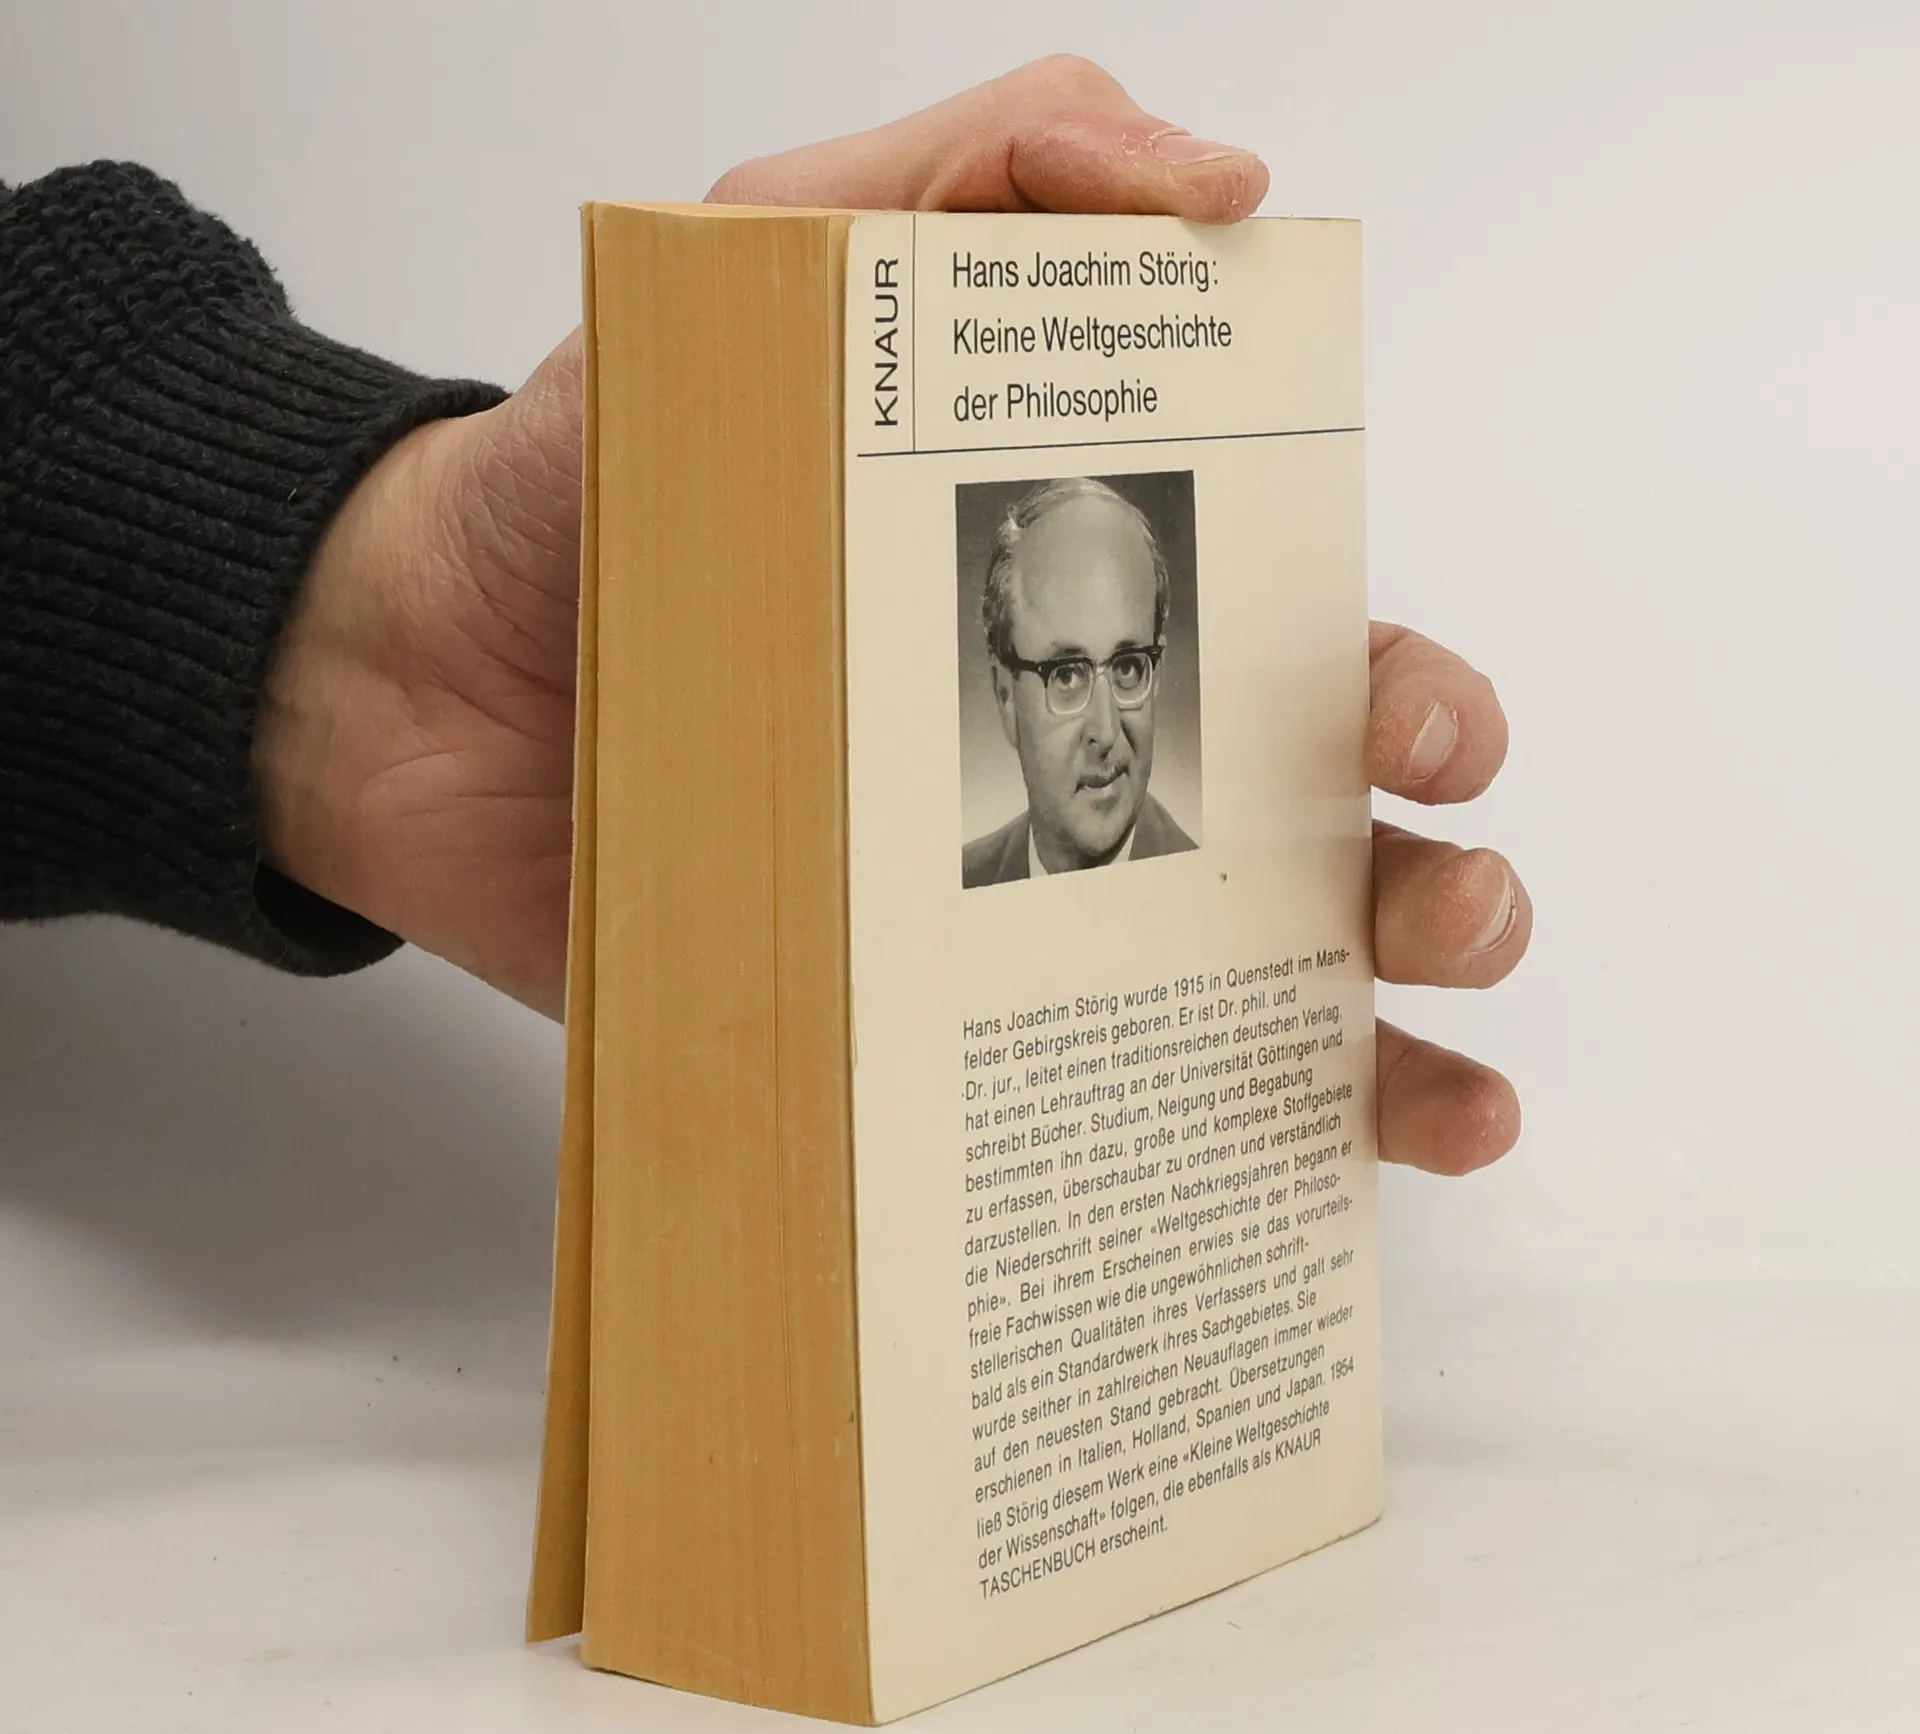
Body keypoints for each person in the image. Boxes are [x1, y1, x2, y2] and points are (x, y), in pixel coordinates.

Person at [0, 55, 1530, 1175]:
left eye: (1131, 663)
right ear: (995, 685)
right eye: (1059, 670)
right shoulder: (959, 854)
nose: (1108, 723)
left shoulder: (1194, 875)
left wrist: (382, 612)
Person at [964, 477, 1195, 887]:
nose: (1106, 732)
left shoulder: (1204, 885)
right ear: (1006, 696)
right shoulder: (969, 877)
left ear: (1156, 677)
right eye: (1066, 674)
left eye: (1128, 668)